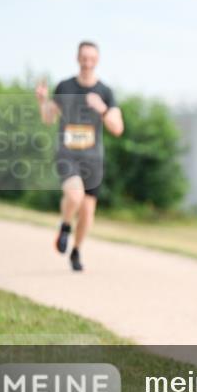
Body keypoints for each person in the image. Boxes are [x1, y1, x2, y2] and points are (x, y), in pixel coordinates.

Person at [35, 41, 123, 271]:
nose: (87, 63)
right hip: (68, 154)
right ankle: (65, 226)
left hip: (93, 159)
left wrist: (102, 109)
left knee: (87, 211)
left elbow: (117, 128)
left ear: (97, 61)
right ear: (77, 58)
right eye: (84, 58)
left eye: (91, 59)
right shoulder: (65, 86)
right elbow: (48, 118)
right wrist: (42, 101)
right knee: (75, 196)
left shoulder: (105, 92)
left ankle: (76, 250)